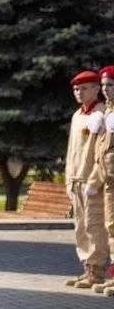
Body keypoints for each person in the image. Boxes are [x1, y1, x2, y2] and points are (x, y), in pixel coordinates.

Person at [63, 69, 109, 289]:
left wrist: (95, 180)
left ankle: (98, 269)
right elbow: (72, 150)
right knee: (80, 226)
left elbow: (101, 153)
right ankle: (87, 267)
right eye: (75, 89)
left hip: (91, 181)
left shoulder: (100, 114)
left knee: (94, 226)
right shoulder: (77, 115)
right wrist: (68, 179)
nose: (79, 92)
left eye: (84, 88)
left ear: (96, 89)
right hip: (75, 179)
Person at [96, 66, 114, 295]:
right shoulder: (108, 110)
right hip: (108, 178)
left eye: (110, 85)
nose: (105, 89)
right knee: (111, 228)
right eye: (103, 85)